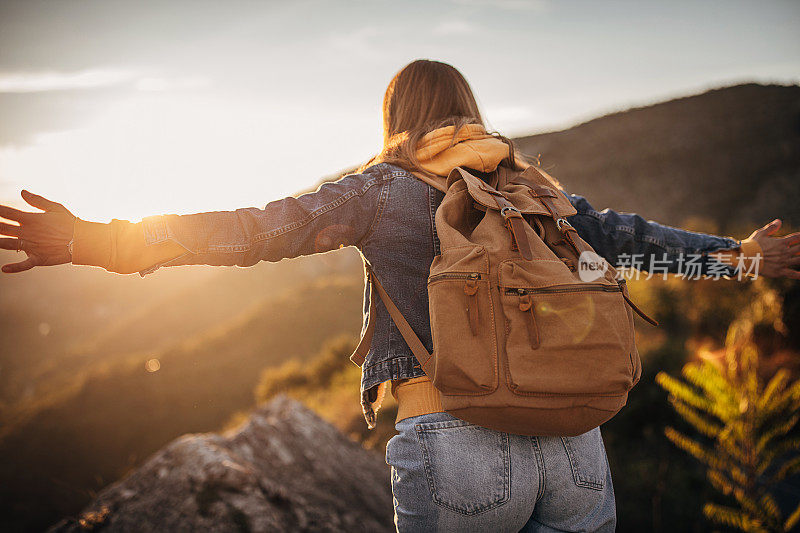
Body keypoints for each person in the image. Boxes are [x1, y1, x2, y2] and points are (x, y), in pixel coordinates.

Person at [1, 59, 798, 532]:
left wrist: (98, 241)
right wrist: (744, 262)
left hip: (454, 444)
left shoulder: (380, 189)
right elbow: (631, 238)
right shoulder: (532, 187)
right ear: (471, 114)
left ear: (395, 119)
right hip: (574, 446)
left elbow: (255, 231)